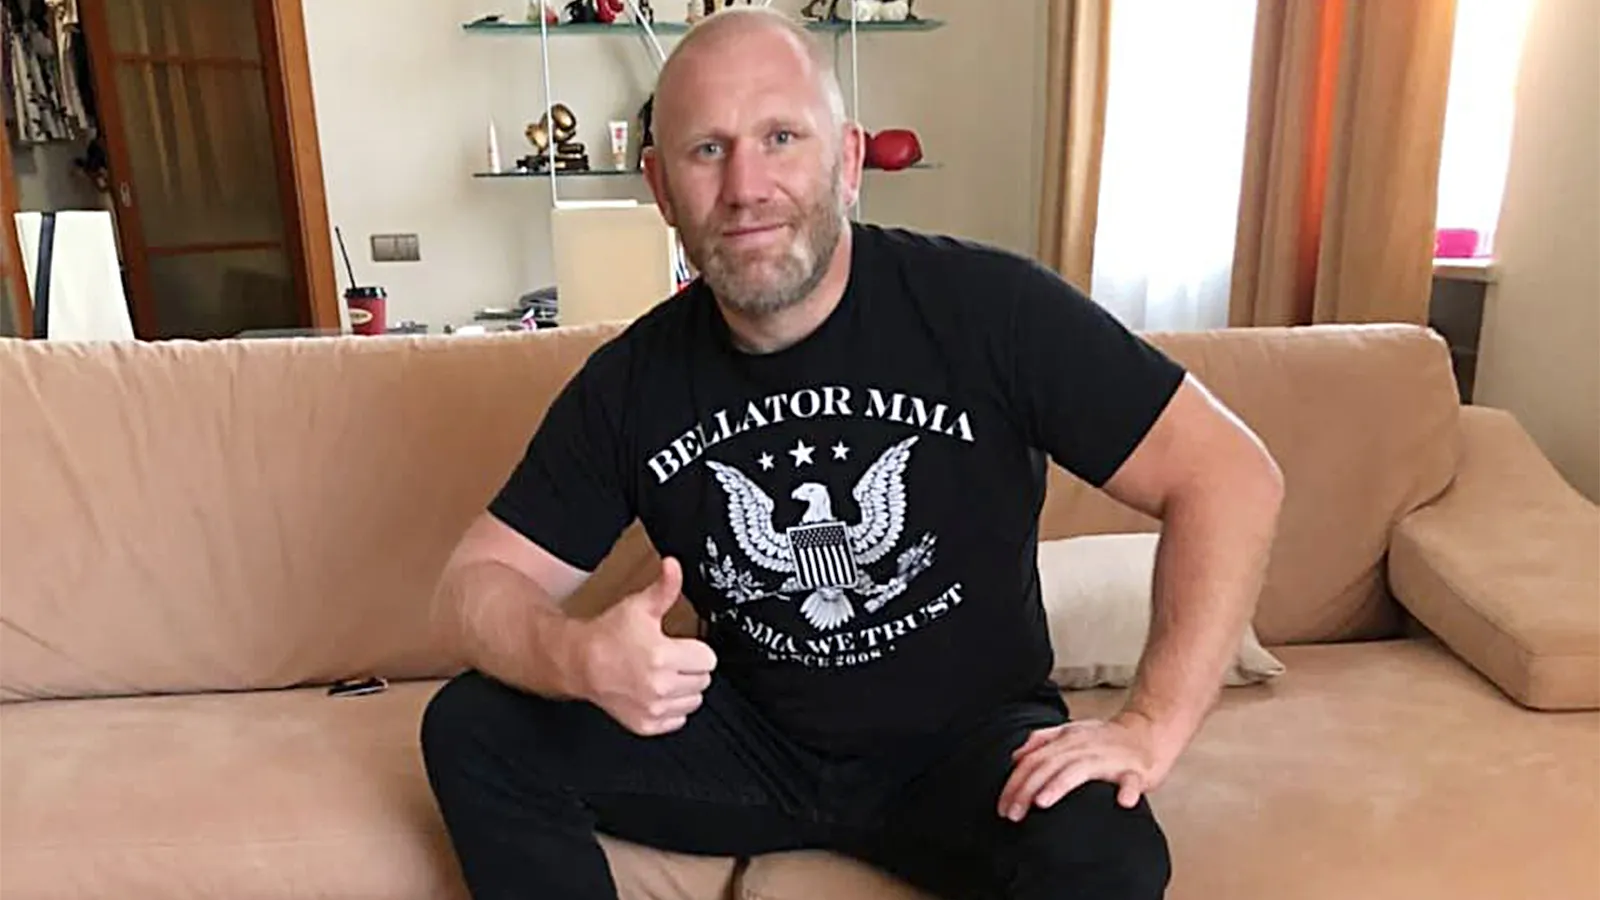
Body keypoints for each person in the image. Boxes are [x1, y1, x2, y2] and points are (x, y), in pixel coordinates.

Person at [420, 7, 1284, 900]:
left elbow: (1228, 475)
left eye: (781, 138)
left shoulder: (992, 310)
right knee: (473, 727)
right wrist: (579, 659)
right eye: (707, 150)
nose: (746, 187)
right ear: (661, 187)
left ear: (849, 161)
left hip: (970, 753)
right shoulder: (630, 383)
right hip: (750, 744)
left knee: (1105, 847)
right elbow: (474, 585)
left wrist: (1149, 725)